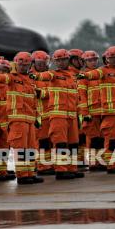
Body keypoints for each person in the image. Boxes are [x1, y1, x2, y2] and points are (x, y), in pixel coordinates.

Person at [78, 46, 115, 174]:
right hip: (106, 111)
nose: (93, 62)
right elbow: (83, 94)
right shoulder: (101, 72)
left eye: (94, 60)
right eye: (112, 58)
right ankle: (107, 163)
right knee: (104, 140)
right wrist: (85, 113)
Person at [0, 52, 43, 184]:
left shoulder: (31, 80)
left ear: (30, 65)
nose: (23, 67)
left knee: (30, 148)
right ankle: (23, 175)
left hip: (29, 119)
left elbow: (34, 101)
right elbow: (2, 78)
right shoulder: (12, 78)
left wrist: (36, 117)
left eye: (26, 64)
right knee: (21, 148)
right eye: (21, 64)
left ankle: (30, 173)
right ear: (15, 64)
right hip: (17, 119)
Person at [31, 49, 83, 180]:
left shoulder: (72, 76)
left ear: (68, 60)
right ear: (54, 62)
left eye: (63, 59)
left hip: (71, 115)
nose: (61, 62)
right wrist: (35, 76)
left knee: (73, 143)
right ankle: (61, 169)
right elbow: (44, 76)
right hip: (57, 115)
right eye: (58, 60)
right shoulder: (53, 74)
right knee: (60, 143)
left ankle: (72, 168)